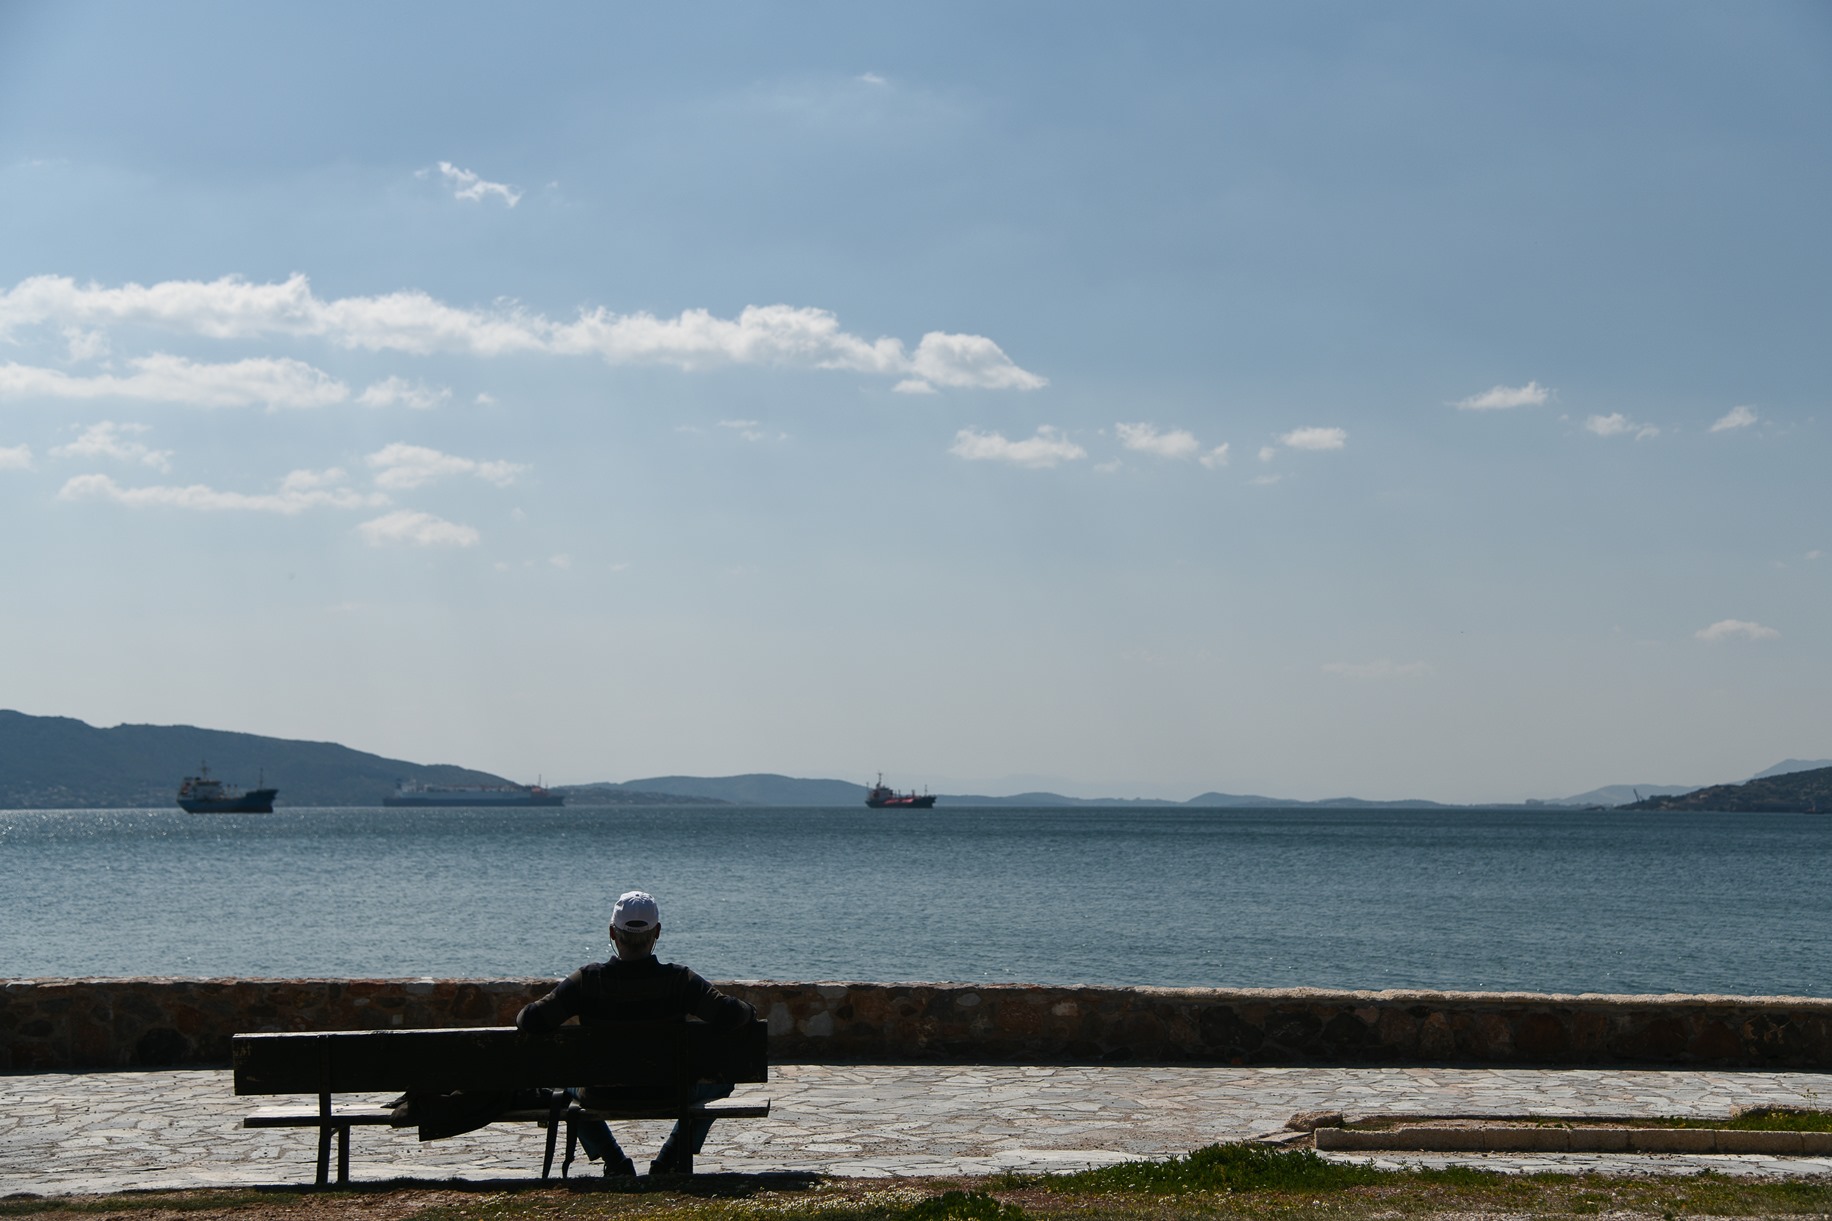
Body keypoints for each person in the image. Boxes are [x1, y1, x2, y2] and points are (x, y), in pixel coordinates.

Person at [516, 890, 756, 1176]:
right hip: (670, 1091)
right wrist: (750, 1011)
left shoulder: (587, 980)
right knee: (723, 1080)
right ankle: (668, 1159)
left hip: (600, 1094)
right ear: (657, 932)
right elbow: (730, 1014)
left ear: (612, 933)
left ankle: (615, 1160)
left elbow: (529, 1020)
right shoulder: (679, 981)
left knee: (563, 1092)